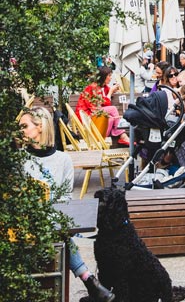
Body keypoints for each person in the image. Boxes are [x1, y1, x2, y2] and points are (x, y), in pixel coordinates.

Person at [20, 107, 115, 302]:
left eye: (24, 126)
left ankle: (88, 281)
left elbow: (64, 199)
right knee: (60, 233)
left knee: (59, 230)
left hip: (53, 218)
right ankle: (88, 280)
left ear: (40, 127)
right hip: (25, 221)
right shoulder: (20, 159)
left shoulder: (63, 160)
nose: (20, 131)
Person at [75, 66, 129, 146]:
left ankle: (101, 142)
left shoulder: (104, 87)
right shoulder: (93, 87)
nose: (111, 78)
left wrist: (114, 91)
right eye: (109, 75)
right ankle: (122, 135)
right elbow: (95, 108)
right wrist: (110, 93)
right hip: (87, 118)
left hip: (95, 116)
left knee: (110, 119)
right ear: (103, 76)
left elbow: (105, 104)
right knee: (113, 109)